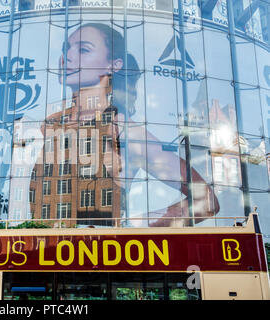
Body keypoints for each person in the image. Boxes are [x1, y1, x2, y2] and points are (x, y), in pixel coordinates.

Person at [29, 22, 219, 227]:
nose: (68, 57)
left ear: (114, 65)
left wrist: (136, 226)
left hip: (99, 255)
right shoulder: (53, 124)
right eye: (66, 49)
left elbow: (206, 200)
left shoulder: (125, 130)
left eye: (83, 50)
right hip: (42, 253)